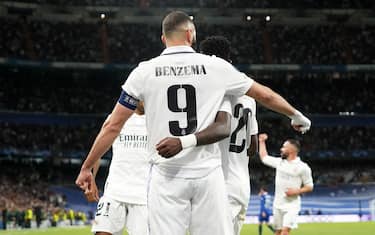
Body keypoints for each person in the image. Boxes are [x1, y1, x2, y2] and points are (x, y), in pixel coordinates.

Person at [76, 11, 311, 235]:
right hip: (208, 174)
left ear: (163, 38)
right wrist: (296, 115)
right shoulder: (216, 67)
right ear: (190, 34)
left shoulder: (143, 72)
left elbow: (112, 126)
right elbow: (265, 96)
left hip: (165, 175)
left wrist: (87, 168)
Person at [200, 35, 258, 235]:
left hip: (220, 185)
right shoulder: (249, 96)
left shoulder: (213, 94)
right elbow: (253, 147)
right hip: (241, 185)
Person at [258, 134, 314, 235]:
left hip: (292, 205)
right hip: (277, 204)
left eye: (284, 147)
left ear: (291, 150)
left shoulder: (303, 167)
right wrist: (261, 141)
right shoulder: (279, 162)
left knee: (285, 232)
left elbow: (309, 186)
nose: (281, 149)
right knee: (278, 232)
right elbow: (264, 157)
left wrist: (297, 191)